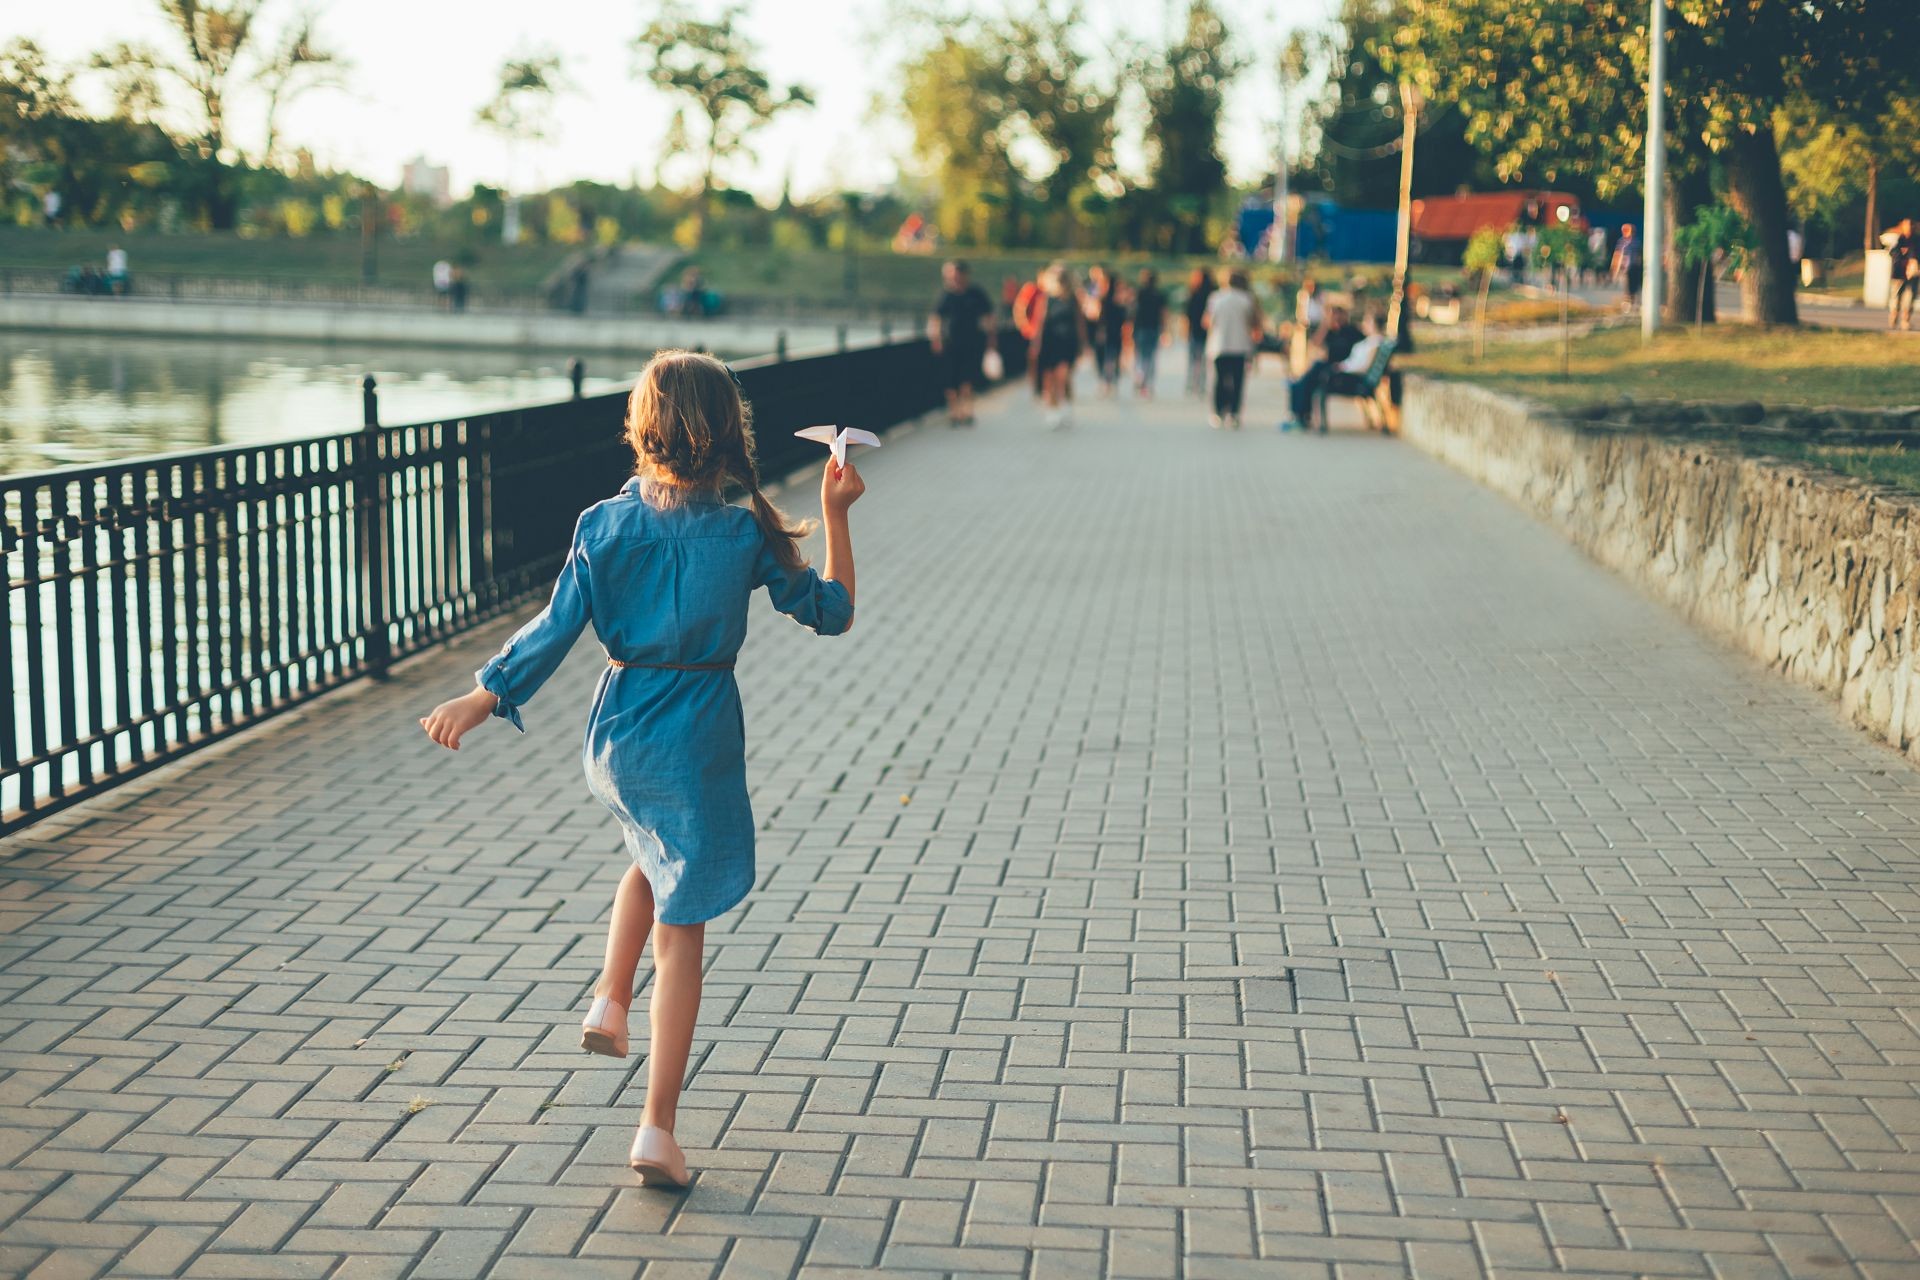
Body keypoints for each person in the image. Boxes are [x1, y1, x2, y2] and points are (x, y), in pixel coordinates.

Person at [419, 350, 864, 1190]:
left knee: (650, 856)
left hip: (620, 735)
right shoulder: (744, 533)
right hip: (696, 738)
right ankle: (657, 1127)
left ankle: (610, 997)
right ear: (727, 435)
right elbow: (831, 613)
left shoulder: (603, 526)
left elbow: (552, 629)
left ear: (640, 430)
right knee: (683, 926)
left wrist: (485, 695)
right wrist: (835, 514)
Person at [929, 259, 995, 425]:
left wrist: (991, 337)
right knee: (950, 380)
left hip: (972, 342)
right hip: (950, 343)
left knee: (968, 379)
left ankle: (967, 411)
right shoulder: (946, 295)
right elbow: (936, 318)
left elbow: (988, 315)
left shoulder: (975, 293)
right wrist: (936, 338)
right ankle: (954, 412)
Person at [1284, 302, 1362, 431]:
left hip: (1340, 372)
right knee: (1303, 382)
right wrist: (1325, 325)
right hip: (1330, 368)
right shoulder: (1332, 331)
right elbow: (1315, 343)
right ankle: (1301, 416)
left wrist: (1344, 365)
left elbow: (1358, 354)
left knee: (1307, 378)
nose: (1336, 317)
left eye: (1338, 314)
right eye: (1333, 314)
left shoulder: (1352, 331)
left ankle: (1299, 417)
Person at [1202, 267, 1262, 429]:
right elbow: (1255, 323)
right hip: (1240, 345)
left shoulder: (1216, 298)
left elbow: (1207, 322)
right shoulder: (1247, 299)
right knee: (1238, 381)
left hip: (1219, 345)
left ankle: (1218, 412)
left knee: (1220, 380)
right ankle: (1234, 413)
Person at [1033, 263, 1088, 428]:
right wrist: (1036, 343)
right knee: (1049, 378)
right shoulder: (1046, 299)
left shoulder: (1073, 299)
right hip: (1050, 342)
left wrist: (1083, 344)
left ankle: (1066, 406)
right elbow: (1040, 323)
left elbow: (1080, 322)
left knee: (1063, 377)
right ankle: (1053, 410)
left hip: (1067, 343)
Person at [1084, 265, 1128, 397]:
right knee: (1102, 356)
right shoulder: (1094, 291)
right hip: (1101, 329)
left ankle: (1110, 381)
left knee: (1111, 355)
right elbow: (1092, 313)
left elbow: (1123, 310)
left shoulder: (1115, 291)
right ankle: (1106, 381)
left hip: (1112, 328)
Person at [1128, 268, 1167, 398]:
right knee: (1150, 357)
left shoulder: (1139, 294)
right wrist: (1164, 330)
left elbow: (1133, 312)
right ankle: (1148, 383)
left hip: (1140, 328)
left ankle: (1140, 377)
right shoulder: (1159, 295)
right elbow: (1163, 314)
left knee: (1140, 356)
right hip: (1154, 328)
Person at [1183, 267, 1216, 396]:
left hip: (1196, 331)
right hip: (1208, 332)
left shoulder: (1193, 293)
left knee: (1193, 359)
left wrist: (1186, 331)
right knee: (1203, 361)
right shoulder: (1213, 294)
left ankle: (1192, 384)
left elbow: (1187, 314)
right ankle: (1201, 385)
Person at [1887, 217, 1917, 331]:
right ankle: (1894, 317)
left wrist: (1914, 263)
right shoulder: (1899, 240)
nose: (1909, 228)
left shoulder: (1917, 241)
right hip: (1899, 274)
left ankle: (1905, 320)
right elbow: (1893, 253)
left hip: (1913, 275)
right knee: (1896, 297)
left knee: (1910, 298)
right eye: (1907, 226)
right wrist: (1903, 258)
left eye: (1911, 226)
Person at [1612, 224, 1643, 310]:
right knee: (1627, 286)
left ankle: (1634, 302)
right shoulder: (1622, 242)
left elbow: (1639, 255)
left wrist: (1639, 265)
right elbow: (1618, 255)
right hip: (1626, 268)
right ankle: (1628, 302)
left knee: (1635, 285)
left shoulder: (1637, 242)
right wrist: (1615, 269)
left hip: (1635, 267)